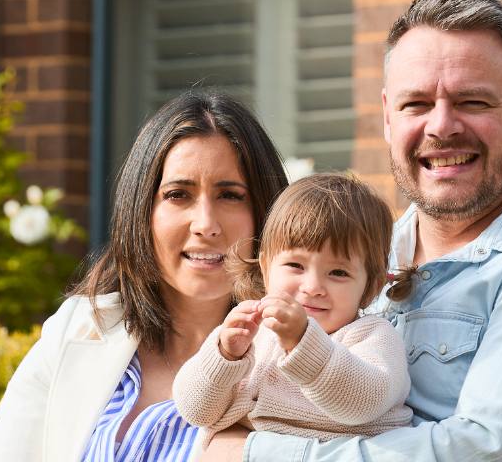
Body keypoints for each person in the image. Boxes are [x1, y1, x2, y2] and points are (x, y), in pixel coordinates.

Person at [210, 0, 502, 460]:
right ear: (388, 117)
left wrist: (250, 454)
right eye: (416, 104)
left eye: (472, 102)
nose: (441, 127)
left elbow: (482, 452)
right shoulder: (367, 253)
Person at [0, 91, 289, 462]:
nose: (206, 224)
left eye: (231, 196)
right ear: (142, 211)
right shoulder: (76, 328)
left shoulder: (304, 360)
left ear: (266, 212)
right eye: (178, 195)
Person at [172, 174, 413, 446]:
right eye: (295, 266)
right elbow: (194, 410)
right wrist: (224, 356)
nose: (312, 287)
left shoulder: (372, 336)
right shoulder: (250, 333)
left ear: (370, 287)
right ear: (265, 267)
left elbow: (363, 401)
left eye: (338, 272)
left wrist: (303, 343)